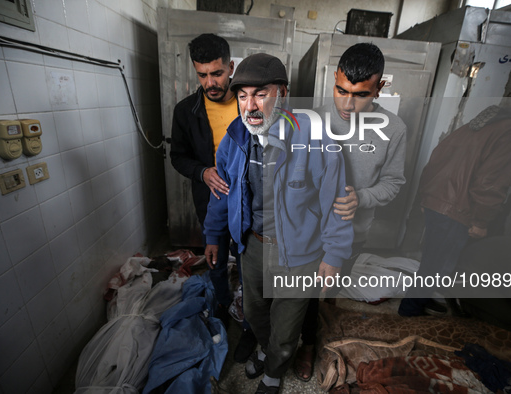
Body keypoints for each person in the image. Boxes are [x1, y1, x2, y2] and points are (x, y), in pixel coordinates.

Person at [204, 53, 353, 394]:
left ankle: (273, 372)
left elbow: (336, 202)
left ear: (283, 93)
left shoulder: (315, 137)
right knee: (254, 314)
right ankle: (262, 346)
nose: (250, 105)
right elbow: (222, 193)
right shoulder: (235, 139)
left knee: (287, 326)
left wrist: (334, 254)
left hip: (299, 251)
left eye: (260, 94)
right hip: (253, 245)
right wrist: (213, 234)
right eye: (242, 96)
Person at [294, 42, 407, 381]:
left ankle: (323, 330)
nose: (346, 103)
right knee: (305, 293)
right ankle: (309, 344)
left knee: (330, 288)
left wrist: (363, 197)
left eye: (359, 95)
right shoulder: (311, 119)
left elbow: (394, 182)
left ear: (380, 88)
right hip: (310, 231)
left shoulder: (394, 129)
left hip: (354, 233)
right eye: (340, 90)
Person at [398, 95, 511, 317]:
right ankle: (410, 311)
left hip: (439, 200)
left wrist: (427, 197)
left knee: (433, 260)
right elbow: (493, 180)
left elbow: (436, 158)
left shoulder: (480, 123)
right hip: (458, 208)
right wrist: (481, 220)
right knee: (438, 265)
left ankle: (421, 301)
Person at [169, 33, 256, 362]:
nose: (210, 82)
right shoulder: (186, 111)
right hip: (213, 204)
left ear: (231, 67)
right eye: (202, 75)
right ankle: (221, 306)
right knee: (216, 261)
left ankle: (249, 324)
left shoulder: (250, 102)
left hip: (249, 204)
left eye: (217, 73)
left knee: (249, 267)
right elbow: (179, 157)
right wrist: (203, 172)